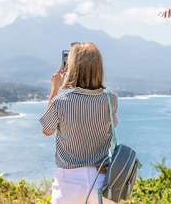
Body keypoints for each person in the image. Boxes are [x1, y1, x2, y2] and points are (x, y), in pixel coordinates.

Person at [39, 43, 117, 204]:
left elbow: (47, 130)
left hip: (69, 182)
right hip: (102, 181)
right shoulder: (110, 100)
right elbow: (111, 127)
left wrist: (54, 90)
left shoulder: (61, 102)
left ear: (73, 68)